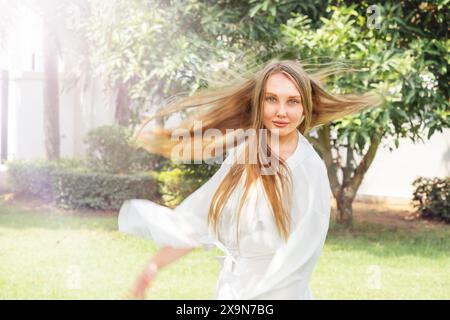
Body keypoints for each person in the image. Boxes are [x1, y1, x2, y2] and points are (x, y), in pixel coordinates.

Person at [118, 59, 382, 299]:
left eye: (292, 101)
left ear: (305, 108)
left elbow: (301, 256)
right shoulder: (246, 152)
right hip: (232, 291)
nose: (281, 111)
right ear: (259, 103)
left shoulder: (308, 168)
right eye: (272, 99)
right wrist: (153, 267)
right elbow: (199, 218)